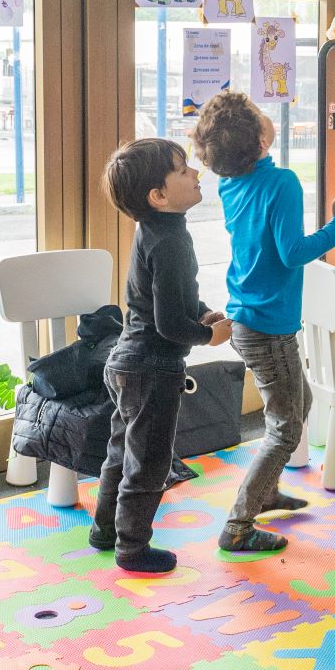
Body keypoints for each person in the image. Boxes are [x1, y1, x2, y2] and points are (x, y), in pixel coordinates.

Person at [193, 89, 335, 557]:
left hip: (248, 319)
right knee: (285, 428)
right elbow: (292, 253)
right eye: (259, 113)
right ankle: (238, 524)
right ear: (260, 140)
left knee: (299, 403)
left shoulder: (231, 183)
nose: (267, 115)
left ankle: (265, 493)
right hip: (267, 326)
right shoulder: (282, 182)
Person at [93, 138, 231, 573]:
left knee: (121, 453)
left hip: (127, 361)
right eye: (183, 170)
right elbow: (170, 323)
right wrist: (208, 335)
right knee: (149, 464)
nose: (196, 173)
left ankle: (105, 531)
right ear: (158, 195)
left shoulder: (156, 231)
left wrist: (200, 311)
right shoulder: (170, 242)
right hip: (152, 367)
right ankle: (132, 549)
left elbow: (165, 299)